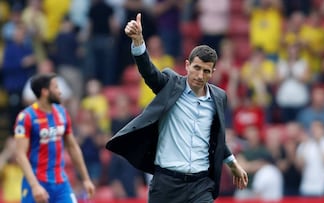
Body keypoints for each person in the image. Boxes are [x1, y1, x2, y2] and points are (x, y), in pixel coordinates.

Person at [106, 13, 248, 202]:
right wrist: (139, 42)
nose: (200, 75)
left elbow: (217, 137)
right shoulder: (171, 85)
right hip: (166, 184)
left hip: (200, 185)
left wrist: (232, 164)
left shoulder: (219, 97)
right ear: (188, 65)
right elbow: (149, 72)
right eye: (196, 68)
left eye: (206, 71)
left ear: (213, 72)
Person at [14, 73, 95, 203]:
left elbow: (72, 147)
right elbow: (20, 155)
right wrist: (35, 186)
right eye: (56, 87)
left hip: (61, 183)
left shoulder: (62, 112)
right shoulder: (26, 117)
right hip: (36, 183)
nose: (60, 92)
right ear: (45, 92)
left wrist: (86, 179)